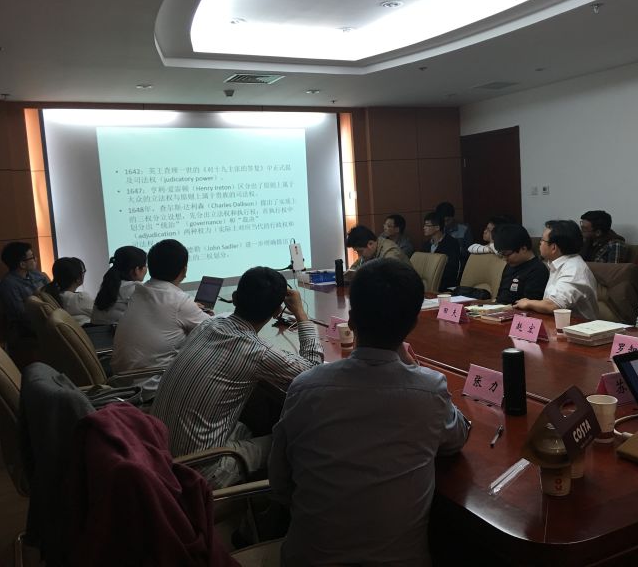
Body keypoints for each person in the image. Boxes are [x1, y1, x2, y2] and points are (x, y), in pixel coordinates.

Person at [269, 259, 470, 566]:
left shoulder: (305, 388)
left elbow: (280, 483)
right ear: (413, 323)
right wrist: (415, 369)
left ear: (351, 319)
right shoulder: (429, 391)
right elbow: (457, 436)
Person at [151, 267, 323, 488]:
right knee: (296, 439)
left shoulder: (207, 325)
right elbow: (312, 373)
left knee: (255, 420)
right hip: (199, 474)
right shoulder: (255, 351)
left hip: (157, 454)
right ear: (277, 311)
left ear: (234, 298)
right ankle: (275, 505)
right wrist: (300, 313)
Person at [111, 239, 209, 379]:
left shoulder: (139, 291)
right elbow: (215, 329)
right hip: (154, 383)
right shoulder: (178, 300)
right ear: (184, 270)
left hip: (122, 381)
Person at [515, 220, 599, 320]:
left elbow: (553, 305)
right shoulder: (558, 264)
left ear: (553, 247)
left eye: (542, 240)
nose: (540, 243)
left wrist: (528, 303)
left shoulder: (574, 269)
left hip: (579, 327)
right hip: (559, 323)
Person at [0, 241, 50, 341]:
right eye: (32, 257)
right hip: (27, 327)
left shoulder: (37, 274)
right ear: (22, 264)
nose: (36, 259)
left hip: (48, 316)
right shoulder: (8, 284)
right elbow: (21, 314)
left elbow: (52, 294)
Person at [491, 224, 549, 305]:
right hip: (499, 309)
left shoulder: (538, 270)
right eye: (501, 255)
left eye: (507, 254)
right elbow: (501, 298)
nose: (504, 259)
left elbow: (530, 306)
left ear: (523, 248)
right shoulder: (509, 266)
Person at [91, 246, 147, 325]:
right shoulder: (135, 288)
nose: (146, 268)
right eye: (145, 265)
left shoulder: (108, 287)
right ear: (137, 270)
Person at [345, 225, 410, 281]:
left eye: (360, 251)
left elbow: (388, 278)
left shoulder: (390, 252)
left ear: (370, 244)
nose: (359, 255)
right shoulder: (369, 252)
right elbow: (353, 269)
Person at [42, 257, 94, 325]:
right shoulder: (80, 298)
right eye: (83, 272)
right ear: (78, 278)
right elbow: (101, 315)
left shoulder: (52, 295)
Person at [422, 211, 461, 292]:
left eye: (427, 225)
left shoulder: (451, 243)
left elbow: (451, 268)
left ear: (437, 227)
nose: (424, 228)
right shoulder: (426, 245)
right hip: (428, 283)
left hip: (444, 284)